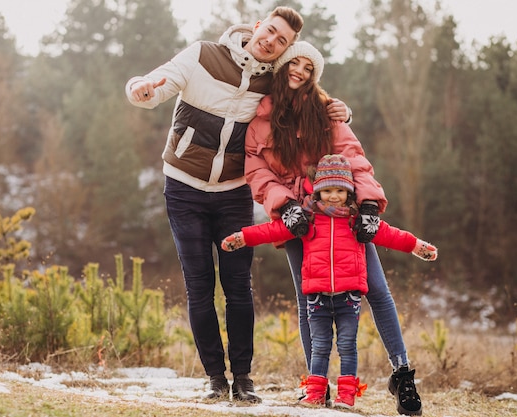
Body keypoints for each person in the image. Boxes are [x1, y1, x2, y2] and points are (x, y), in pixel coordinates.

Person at [125, 7, 351, 404]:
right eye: (271, 32)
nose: (272, 42)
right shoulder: (203, 55)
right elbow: (155, 85)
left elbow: (308, 102)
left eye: (283, 42)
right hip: (183, 189)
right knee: (199, 287)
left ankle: (243, 378)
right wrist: (140, 88)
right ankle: (215, 377)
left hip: (233, 194)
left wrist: (342, 111)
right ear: (258, 24)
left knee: (238, 289)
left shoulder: (274, 82)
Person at [243, 41, 425, 415]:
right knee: (306, 296)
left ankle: (402, 373)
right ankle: (317, 386)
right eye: (294, 63)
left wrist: (370, 203)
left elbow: (353, 158)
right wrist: (284, 205)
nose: (300, 71)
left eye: (309, 68)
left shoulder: (327, 112)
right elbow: (256, 170)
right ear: (281, 66)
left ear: (314, 76)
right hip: (298, 217)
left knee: (376, 288)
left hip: (341, 211)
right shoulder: (259, 117)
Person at [221, 154, 438, 408]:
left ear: (349, 192)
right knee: (320, 345)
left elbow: (389, 234)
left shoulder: (356, 221)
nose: (333, 196)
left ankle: (347, 395)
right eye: (327, 191)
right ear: (317, 192)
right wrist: (243, 237)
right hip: (317, 297)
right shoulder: (308, 219)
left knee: (348, 345)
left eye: (340, 191)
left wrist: (416, 246)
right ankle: (316, 392)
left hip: (349, 298)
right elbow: (273, 230)